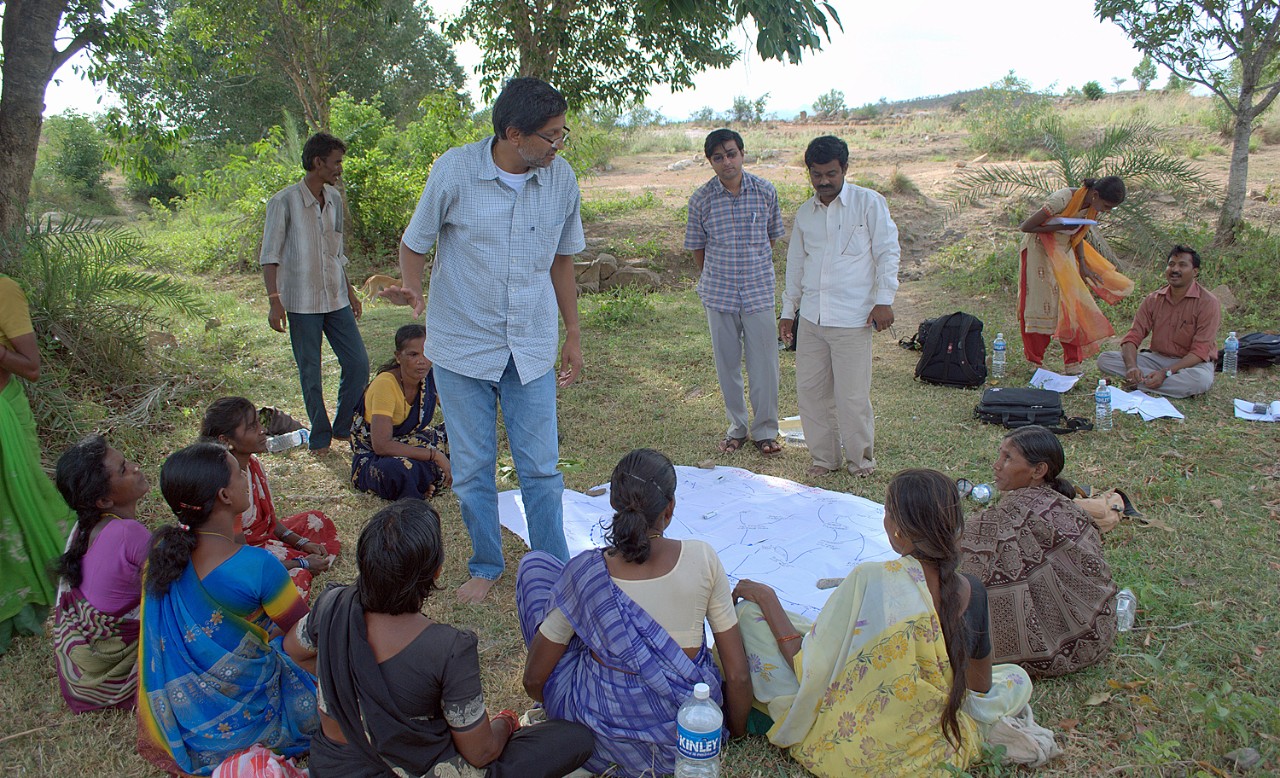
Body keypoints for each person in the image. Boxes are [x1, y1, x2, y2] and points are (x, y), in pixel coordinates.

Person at [383, 77, 582, 604]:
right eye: (551, 137)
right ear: (514, 134)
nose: (559, 146)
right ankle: (486, 563)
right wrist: (412, 290)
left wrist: (574, 334)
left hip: (532, 347)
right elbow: (414, 243)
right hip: (462, 348)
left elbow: (563, 262)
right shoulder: (454, 171)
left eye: (564, 134)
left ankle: (553, 566)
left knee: (540, 466)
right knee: (472, 469)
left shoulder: (560, 180)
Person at [734, 469, 1033, 776]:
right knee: (1013, 677)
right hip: (941, 735)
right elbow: (980, 687)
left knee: (749, 616)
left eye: (887, 512)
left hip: (858, 745)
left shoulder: (872, 580)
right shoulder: (972, 590)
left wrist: (767, 597)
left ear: (898, 530)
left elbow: (807, 665)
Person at [283, 499, 595, 778]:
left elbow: (294, 650)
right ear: (436, 572)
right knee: (572, 740)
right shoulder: (448, 648)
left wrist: (350, 687)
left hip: (332, 766)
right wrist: (506, 723)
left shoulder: (331, 605)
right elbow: (481, 752)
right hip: (416, 769)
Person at [516, 449, 752, 778]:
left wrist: (559, 707)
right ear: (669, 509)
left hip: (599, 736)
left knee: (536, 567)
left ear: (613, 503)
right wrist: (733, 736)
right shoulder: (703, 558)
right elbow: (738, 675)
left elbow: (534, 678)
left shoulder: (586, 573)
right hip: (687, 737)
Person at [137, 442, 318, 776]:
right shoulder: (259, 567)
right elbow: (305, 636)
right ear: (224, 495)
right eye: (239, 473)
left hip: (193, 729)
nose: (246, 478)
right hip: (254, 724)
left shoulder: (161, 555)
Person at [780, 135, 900, 478]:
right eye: (817, 174)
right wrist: (789, 311)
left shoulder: (869, 203)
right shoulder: (806, 213)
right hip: (813, 318)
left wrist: (884, 300)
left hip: (852, 318)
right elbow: (796, 266)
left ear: (845, 169)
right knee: (811, 393)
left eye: (831, 173)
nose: (824, 181)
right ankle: (824, 459)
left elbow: (887, 252)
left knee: (851, 397)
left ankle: (860, 462)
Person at [960, 425, 1118, 677]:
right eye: (1000, 455)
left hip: (1048, 648)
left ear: (1039, 470)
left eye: (1008, 458)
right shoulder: (1065, 504)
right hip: (1098, 626)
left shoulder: (998, 520)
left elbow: (961, 567)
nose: (996, 465)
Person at [261, 131, 370, 455]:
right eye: (336, 162)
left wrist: (349, 291)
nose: (340, 169)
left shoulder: (334, 199)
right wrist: (274, 302)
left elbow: (335, 253)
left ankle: (342, 425)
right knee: (310, 370)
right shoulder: (284, 202)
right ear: (317, 162)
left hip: (334, 297)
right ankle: (320, 435)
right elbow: (270, 255)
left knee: (358, 363)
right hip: (301, 301)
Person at [684, 128, 785, 456]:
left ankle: (766, 430)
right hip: (719, 295)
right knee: (727, 364)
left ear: (742, 154)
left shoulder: (765, 191)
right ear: (710, 161)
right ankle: (737, 428)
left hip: (758, 292)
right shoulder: (701, 199)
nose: (726, 161)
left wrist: (750, 269)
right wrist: (717, 277)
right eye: (718, 157)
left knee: (765, 364)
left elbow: (771, 239)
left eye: (731, 154)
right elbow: (698, 249)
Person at [202, 396, 340, 599]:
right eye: (251, 428)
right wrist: (301, 563)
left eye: (259, 423)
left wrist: (301, 543)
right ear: (226, 440)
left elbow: (269, 519)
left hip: (260, 539)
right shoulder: (224, 488)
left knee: (317, 521)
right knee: (291, 583)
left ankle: (291, 558)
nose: (262, 431)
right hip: (241, 557)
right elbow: (242, 561)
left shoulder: (253, 465)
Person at [0, 273, 72, 655]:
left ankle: (24, 606)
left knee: (18, 506)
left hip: (3, 415)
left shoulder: (4, 291)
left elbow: (31, 367)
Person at [52, 435, 150, 712]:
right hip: (115, 670)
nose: (135, 467)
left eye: (127, 461)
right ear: (104, 500)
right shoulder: (128, 533)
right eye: (123, 469)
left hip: (84, 674)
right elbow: (181, 585)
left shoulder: (83, 530)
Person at [1017, 176, 1134, 375]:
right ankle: (1034, 361)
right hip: (1039, 250)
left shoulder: (1092, 205)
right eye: (1106, 206)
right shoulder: (1062, 199)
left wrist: (1082, 262)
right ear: (1095, 194)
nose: (1105, 211)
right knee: (1039, 303)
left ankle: (1073, 363)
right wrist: (1060, 228)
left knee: (1072, 304)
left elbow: (1078, 232)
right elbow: (1026, 226)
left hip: (1065, 250)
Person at [1096, 244, 1221, 398]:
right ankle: (1143, 379)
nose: (1175, 270)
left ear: (1195, 272)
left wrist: (1166, 373)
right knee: (1105, 359)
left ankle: (1138, 383)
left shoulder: (1208, 302)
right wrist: (1131, 367)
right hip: (1157, 359)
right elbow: (1133, 337)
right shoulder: (1153, 299)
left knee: (1200, 381)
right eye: (1171, 264)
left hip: (1190, 364)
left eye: (1182, 265)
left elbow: (1200, 351)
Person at [350, 323, 452, 500]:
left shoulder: (431, 378)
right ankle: (427, 478)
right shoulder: (385, 385)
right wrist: (434, 455)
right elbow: (382, 446)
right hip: (378, 456)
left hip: (413, 443)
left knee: (460, 436)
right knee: (397, 471)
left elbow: (454, 414)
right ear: (398, 357)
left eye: (427, 353)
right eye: (413, 355)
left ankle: (426, 479)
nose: (422, 361)